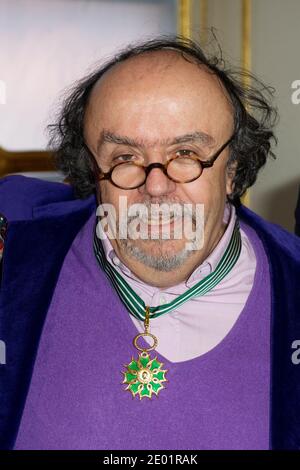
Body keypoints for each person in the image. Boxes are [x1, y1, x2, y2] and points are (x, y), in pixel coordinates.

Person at [0, 37, 299, 451]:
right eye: (124, 157)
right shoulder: (11, 261)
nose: (156, 187)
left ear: (232, 168)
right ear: (91, 168)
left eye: (186, 153)